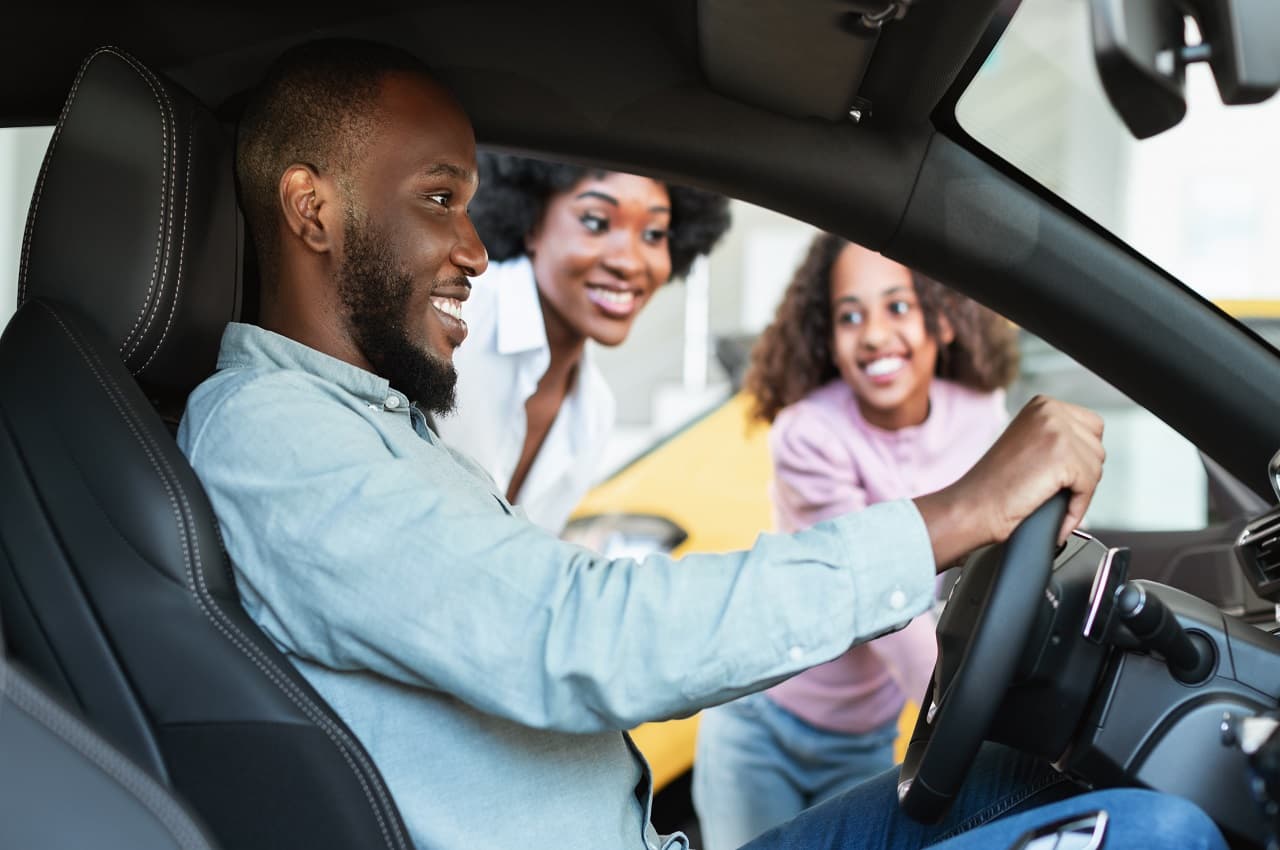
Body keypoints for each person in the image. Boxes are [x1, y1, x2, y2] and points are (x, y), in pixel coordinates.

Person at [177, 39, 1226, 850]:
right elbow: (575, 637)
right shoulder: (274, 433)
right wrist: (949, 517)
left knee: (1075, 782)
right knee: (1159, 836)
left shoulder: (376, 423)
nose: (473, 245)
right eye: (438, 199)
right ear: (312, 209)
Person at [693, 234, 1020, 849]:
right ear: (827, 338)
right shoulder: (808, 435)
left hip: (864, 735)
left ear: (944, 320)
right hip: (760, 721)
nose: (872, 334)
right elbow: (881, 605)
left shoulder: (979, 419)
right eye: (850, 315)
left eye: (897, 307)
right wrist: (993, 733)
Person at [434, 153, 730, 532]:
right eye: (596, 222)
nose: (629, 262)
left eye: (654, 234)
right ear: (532, 223)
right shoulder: (460, 316)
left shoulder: (594, 411)